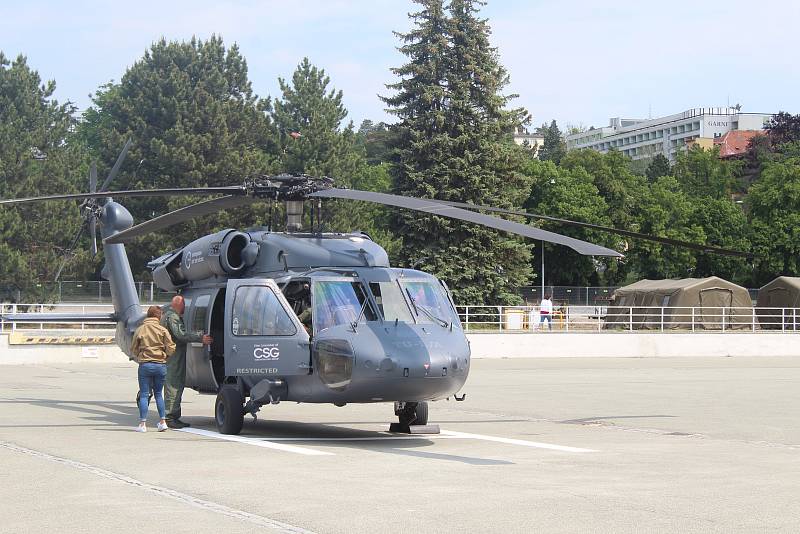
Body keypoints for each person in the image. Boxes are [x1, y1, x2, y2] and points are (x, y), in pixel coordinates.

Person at [161, 295, 212, 429]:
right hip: (174, 357)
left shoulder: (167, 315)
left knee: (174, 384)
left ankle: (171, 416)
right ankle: (170, 417)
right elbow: (181, 335)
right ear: (179, 304)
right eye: (184, 305)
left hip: (172, 356)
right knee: (174, 384)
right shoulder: (172, 317)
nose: (185, 308)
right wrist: (200, 337)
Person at [131, 306, 175, 432]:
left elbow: (133, 348)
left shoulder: (140, 330)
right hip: (160, 365)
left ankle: (143, 424)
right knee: (158, 394)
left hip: (145, 365)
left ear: (148, 315)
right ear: (159, 316)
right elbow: (171, 347)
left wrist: (140, 355)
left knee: (144, 394)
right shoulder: (163, 330)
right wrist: (165, 356)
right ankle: (162, 422)